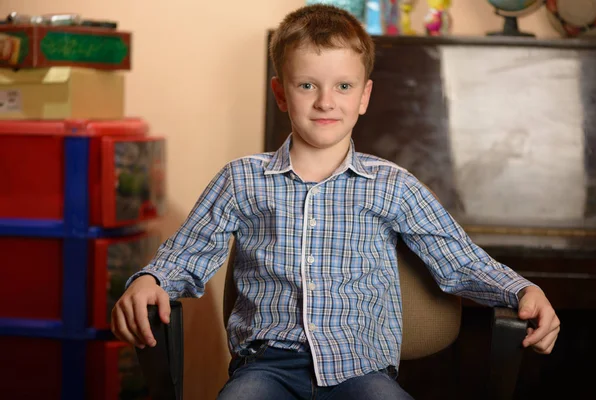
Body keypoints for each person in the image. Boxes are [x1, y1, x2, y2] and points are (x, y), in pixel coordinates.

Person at [111, 4, 560, 399]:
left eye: (343, 87)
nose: (326, 101)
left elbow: (458, 261)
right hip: (267, 368)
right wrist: (151, 279)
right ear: (281, 93)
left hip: (361, 371)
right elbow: (188, 253)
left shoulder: (393, 185)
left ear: (364, 96)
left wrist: (522, 289)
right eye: (307, 85)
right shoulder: (241, 179)